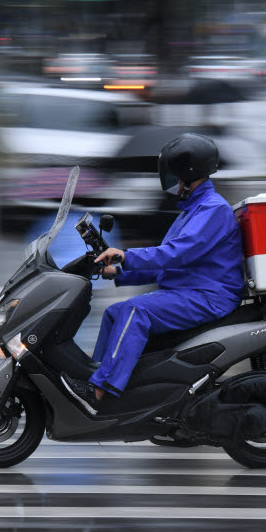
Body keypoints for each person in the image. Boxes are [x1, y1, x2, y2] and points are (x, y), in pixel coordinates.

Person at [60, 133, 244, 415]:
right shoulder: (191, 210)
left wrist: (126, 255)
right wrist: (116, 272)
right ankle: (92, 380)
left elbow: (178, 253)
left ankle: (101, 392)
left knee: (135, 311)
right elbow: (165, 264)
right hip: (189, 291)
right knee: (114, 313)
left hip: (209, 295)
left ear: (187, 171)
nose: (170, 179)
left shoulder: (212, 209)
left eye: (174, 172)